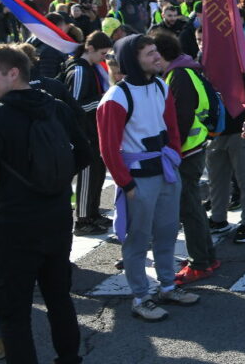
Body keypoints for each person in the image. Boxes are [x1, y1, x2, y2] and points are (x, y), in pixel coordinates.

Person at [0, 44, 91, 361]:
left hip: (15, 225)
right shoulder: (57, 107)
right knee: (59, 299)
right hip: (57, 218)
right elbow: (85, 153)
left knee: (14, 312)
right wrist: (54, 181)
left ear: (13, 73)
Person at [97, 34, 200, 321]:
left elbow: (172, 128)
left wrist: (174, 157)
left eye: (156, 51)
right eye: (150, 53)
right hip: (139, 179)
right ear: (133, 61)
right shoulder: (116, 97)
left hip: (166, 171)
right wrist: (126, 184)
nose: (157, 57)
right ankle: (141, 297)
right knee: (138, 240)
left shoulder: (160, 86)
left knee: (167, 232)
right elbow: (108, 148)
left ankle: (167, 286)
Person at [151, 32, 221, 286]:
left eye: (153, 54)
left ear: (162, 54)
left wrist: (170, 152)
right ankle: (207, 257)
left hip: (186, 152)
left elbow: (180, 119)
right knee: (194, 207)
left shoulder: (178, 75)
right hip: (193, 148)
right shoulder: (183, 70)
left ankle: (199, 264)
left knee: (189, 209)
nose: (152, 60)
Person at [203, 33, 245, 244]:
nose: (203, 44)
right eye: (200, 40)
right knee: (217, 179)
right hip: (216, 133)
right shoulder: (206, 62)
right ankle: (218, 219)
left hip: (242, 130)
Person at [63, 31, 114, 236]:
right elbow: (74, 105)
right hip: (83, 133)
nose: (104, 58)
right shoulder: (79, 70)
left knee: (97, 174)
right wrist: (103, 100)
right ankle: (82, 220)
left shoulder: (91, 68)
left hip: (93, 131)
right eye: (102, 53)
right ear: (90, 48)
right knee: (87, 175)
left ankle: (93, 212)